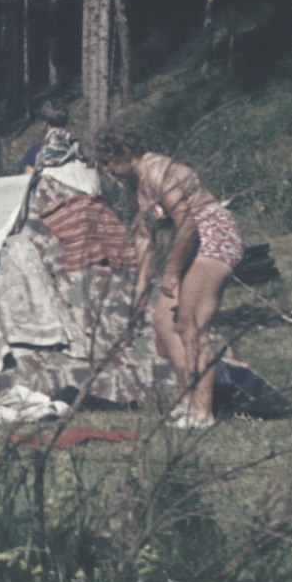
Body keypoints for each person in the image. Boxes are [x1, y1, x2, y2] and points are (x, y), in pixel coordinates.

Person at [91, 123, 243, 428]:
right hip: (191, 243)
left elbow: (187, 223)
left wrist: (172, 274)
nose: (106, 169)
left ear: (125, 152)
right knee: (163, 322)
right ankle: (187, 401)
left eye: (108, 160)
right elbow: (144, 239)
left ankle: (202, 412)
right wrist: (140, 287)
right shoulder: (134, 185)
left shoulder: (157, 171)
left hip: (213, 237)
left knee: (191, 324)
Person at [20, 103, 85, 172]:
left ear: (45, 123)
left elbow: (29, 176)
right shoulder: (78, 150)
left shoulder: (36, 151)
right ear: (66, 122)